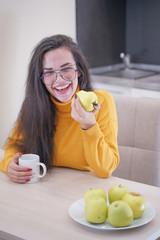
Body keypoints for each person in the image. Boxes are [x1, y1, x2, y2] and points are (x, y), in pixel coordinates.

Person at [0, 34, 119, 183]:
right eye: (49, 72)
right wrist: (10, 164)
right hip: (45, 189)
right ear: (40, 78)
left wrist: (89, 125)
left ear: (79, 70)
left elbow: (105, 169)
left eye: (66, 69)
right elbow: (14, 145)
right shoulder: (33, 104)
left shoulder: (101, 102)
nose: (59, 79)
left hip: (86, 189)